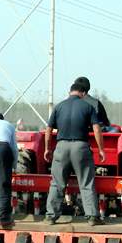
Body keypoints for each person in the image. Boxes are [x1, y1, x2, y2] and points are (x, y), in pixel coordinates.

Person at [44, 77, 106, 226]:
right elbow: (97, 128)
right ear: (83, 93)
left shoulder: (58, 107)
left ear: (69, 92)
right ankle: (91, 217)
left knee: (57, 183)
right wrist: (101, 149)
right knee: (86, 182)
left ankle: (51, 216)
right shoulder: (88, 107)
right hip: (80, 147)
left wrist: (47, 148)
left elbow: (48, 129)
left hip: (61, 147)